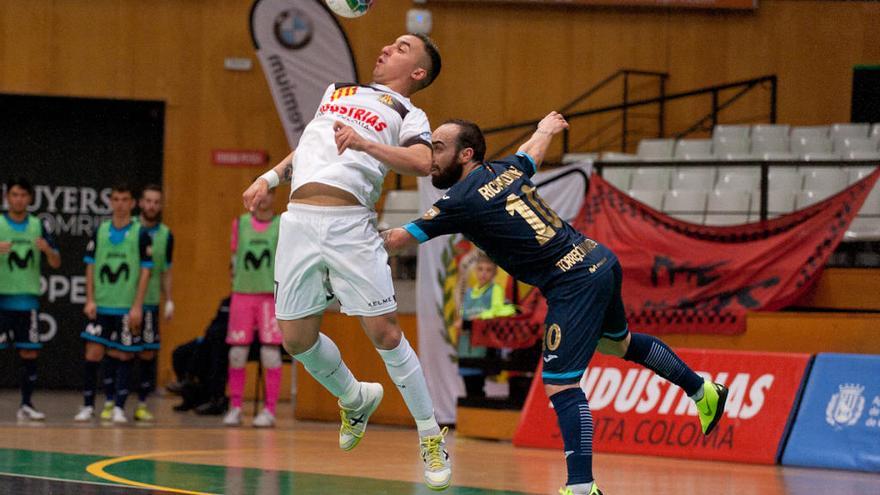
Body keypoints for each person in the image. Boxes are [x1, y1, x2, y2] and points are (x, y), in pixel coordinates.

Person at [382, 113, 729, 495]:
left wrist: (347, 235)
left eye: (438, 148)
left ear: (466, 154)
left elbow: (398, 239)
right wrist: (545, 129)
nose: (431, 157)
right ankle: (701, 390)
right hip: (598, 259)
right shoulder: (506, 170)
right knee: (618, 344)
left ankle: (581, 486)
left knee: (560, 384)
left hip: (572, 280)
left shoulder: (460, 200)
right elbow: (530, 154)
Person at [241, 33, 450, 489]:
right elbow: (310, 147)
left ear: (417, 72)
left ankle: (430, 434)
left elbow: (421, 162)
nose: (387, 48)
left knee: (385, 332)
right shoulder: (337, 91)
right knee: (296, 340)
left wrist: (366, 145)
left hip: (351, 224)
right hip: (297, 221)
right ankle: (355, 398)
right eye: (390, 42)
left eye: (401, 47)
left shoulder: (408, 113)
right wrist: (271, 176)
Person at [75, 183, 152, 424]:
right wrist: (90, 298)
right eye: (116, 199)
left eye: (124, 199)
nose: (120, 204)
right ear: (110, 202)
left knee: (123, 355)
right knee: (93, 352)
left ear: (132, 203)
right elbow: (90, 266)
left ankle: (118, 406)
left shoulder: (140, 233)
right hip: (102, 305)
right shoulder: (100, 231)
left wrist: (137, 305)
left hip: (126, 306)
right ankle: (88, 406)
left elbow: (145, 272)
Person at [0, 178, 61, 421]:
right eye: (14, 195)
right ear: (8, 197)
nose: (18, 199)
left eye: (23, 195)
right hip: (2, 299)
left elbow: (56, 262)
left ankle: (26, 404)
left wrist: (47, 250)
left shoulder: (38, 225)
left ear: (30, 198)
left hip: (28, 302)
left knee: (29, 353)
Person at [223, 188, 282, 428]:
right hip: (242, 295)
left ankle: (270, 410)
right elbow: (234, 260)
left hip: (269, 297)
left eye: (268, 194)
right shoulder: (240, 223)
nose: (263, 199)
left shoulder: (281, 225)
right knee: (237, 354)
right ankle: (235, 407)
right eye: (260, 194)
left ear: (274, 196)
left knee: (270, 354)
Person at [134, 184, 175, 421]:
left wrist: (168, 299)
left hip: (150, 302)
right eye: (148, 201)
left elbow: (166, 270)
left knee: (148, 353)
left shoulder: (166, 235)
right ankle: (112, 402)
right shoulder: (131, 230)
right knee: (121, 353)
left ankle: (142, 403)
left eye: (156, 202)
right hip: (125, 302)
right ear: (140, 203)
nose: (151, 206)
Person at [456, 252, 515, 398]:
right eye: (480, 269)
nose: (483, 273)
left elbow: (498, 311)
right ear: (475, 271)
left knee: (477, 386)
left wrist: (479, 317)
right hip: (466, 345)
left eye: (488, 270)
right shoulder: (469, 293)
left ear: (494, 273)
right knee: (468, 385)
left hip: (483, 346)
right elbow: (463, 315)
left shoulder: (495, 290)